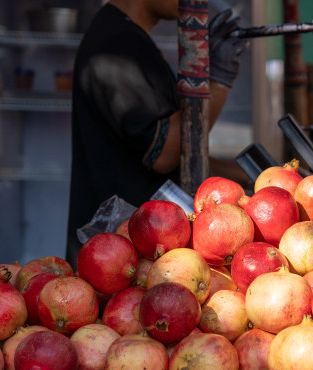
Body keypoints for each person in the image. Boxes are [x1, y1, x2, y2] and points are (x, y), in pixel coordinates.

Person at [66, 0, 246, 265]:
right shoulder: (119, 45)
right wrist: (218, 79)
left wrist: (252, 175)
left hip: (143, 244)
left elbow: (186, 158)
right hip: (116, 258)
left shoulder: (129, 37)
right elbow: (166, 153)